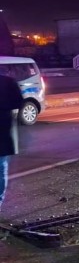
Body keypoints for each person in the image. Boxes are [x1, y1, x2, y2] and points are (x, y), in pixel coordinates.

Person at [0, 74, 23, 212]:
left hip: (3, 130)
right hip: (3, 129)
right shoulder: (8, 81)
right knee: (1, 167)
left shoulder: (8, 81)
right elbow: (18, 102)